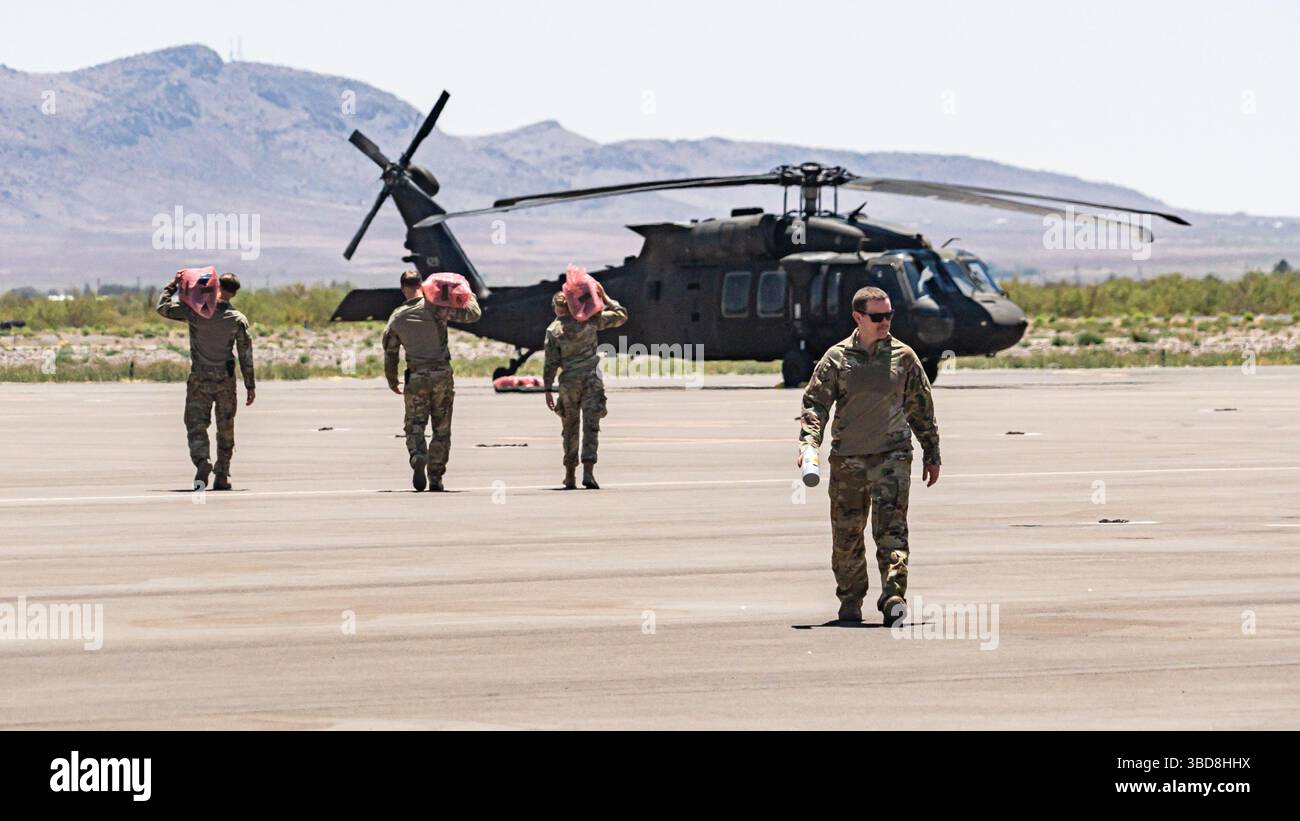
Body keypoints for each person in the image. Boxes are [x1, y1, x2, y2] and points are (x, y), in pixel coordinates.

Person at [798, 286, 940, 626]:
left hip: (893, 457)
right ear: (858, 318)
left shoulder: (904, 357)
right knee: (846, 535)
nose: (885, 322)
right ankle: (850, 597)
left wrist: (931, 452)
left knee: (892, 531)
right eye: (877, 317)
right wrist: (809, 445)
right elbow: (816, 404)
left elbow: (921, 407)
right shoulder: (836, 358)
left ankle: (893, 596)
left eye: (889, 315)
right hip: (848, 460)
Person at [382, 270, 481, 491]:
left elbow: (390, 351)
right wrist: (467, 291)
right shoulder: (436, 309)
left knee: (415, 426)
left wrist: (391, 379)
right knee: (441, 428)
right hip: (441, 375)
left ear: (402, 288)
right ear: (422, 285)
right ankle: (436, 476)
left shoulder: (397, 316)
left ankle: (418, 455)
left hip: (416, 376)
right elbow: (473, 315)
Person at [156, 271, 256, 490]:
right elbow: (245, 354)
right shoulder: (238, 320)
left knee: (196, 424)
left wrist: (172, 285)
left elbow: (163, 308)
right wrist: (250, 384)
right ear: (235, 293)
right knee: (225, 428)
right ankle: (222, 474)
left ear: (217, 287)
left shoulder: (196, 311)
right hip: (226, 381)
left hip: (200, 379)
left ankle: (203, 460)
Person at [543, 281, 627, 489]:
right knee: (591, 426)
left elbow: (551, 363)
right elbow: (621, 315)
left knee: (570, 428)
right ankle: (588, 472)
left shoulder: (554, 330)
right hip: (592, 381)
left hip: (569, 384)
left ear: (556, 307)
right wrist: (605, 297)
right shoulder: (590, 322)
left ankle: (570, 475)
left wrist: (547, 389)